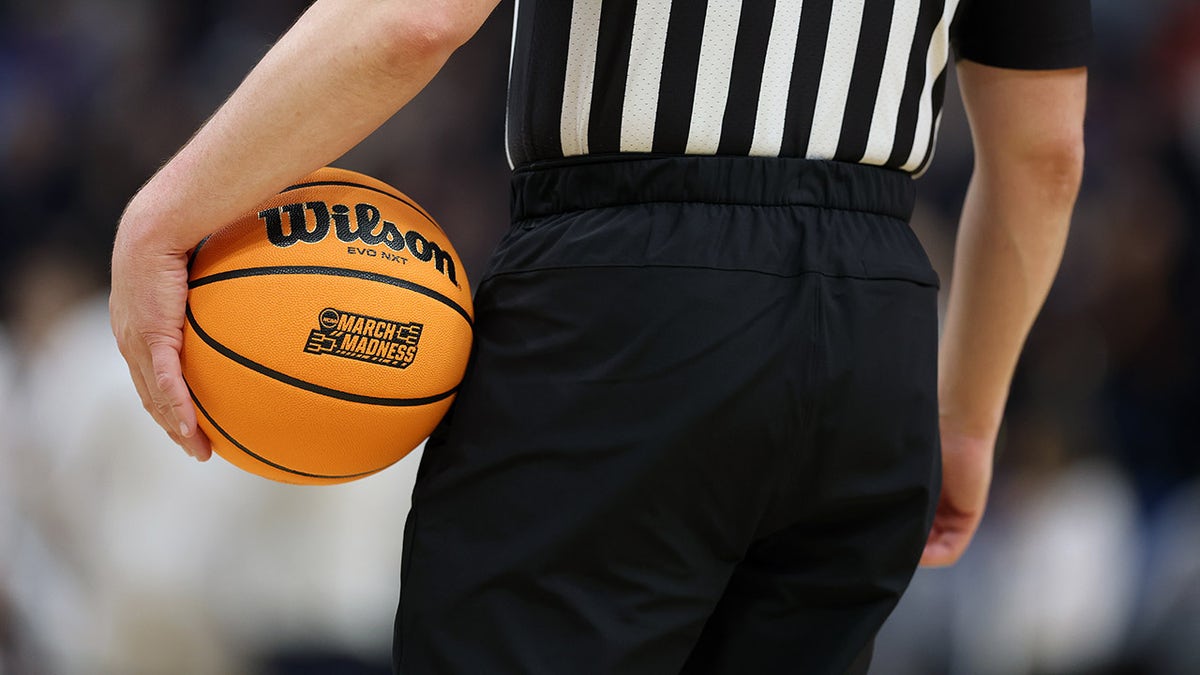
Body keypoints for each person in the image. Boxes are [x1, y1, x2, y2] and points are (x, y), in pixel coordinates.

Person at [110, 0, 1090, 672]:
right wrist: (966, 412)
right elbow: (1045, 152)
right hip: (880, 326)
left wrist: (163, 215)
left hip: (631, 295)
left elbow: (414, 18)